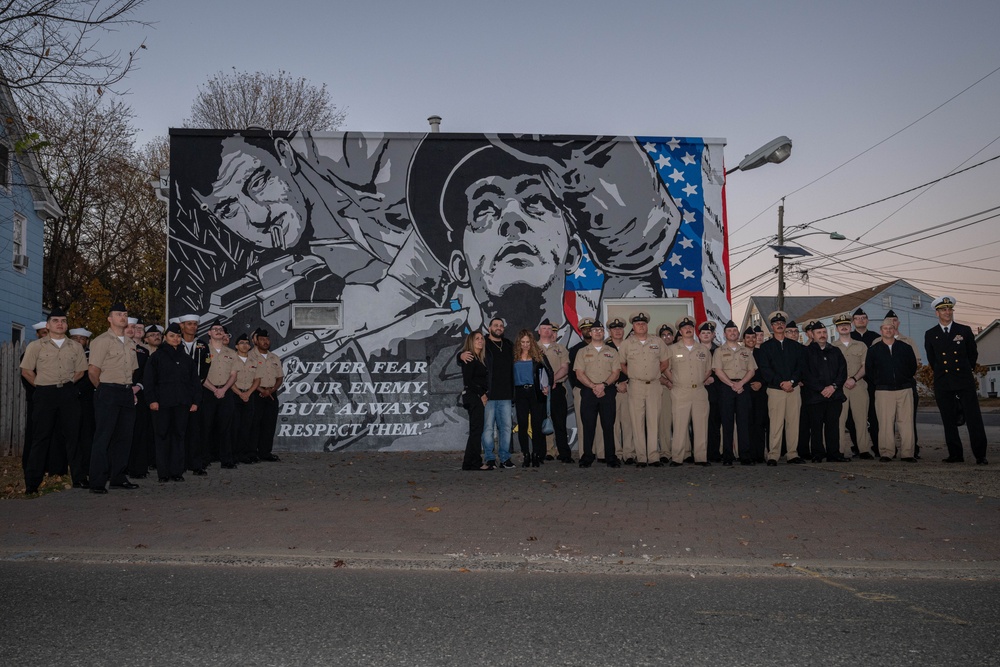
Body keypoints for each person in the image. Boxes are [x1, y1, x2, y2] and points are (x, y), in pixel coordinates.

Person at [19, 308, 89, 493]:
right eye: (56, 320)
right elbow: (26, 371)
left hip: (68, 393)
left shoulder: (75, 347)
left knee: (74, 437)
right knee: (40, 437)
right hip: (44, 394)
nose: (60, 324)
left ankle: (79, 478)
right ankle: (32, 483)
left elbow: (81, 371)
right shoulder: (36, 346)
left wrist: (66, 385)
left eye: (63, 321)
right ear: (48, 325)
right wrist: (41, 385)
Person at [924, 296, 988, 464]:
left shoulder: (964, 330)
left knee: (974, 419)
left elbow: (972, 355)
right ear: (937, 313)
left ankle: (980, 455)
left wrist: (966, 371)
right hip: (943, 382)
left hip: (963, 380)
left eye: (950, 309)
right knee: (948, 420)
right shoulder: (931, 334)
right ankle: (955, 454)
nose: (947, 312)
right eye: (944, 310)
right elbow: (932, 359)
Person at [87, 302, 140, 494]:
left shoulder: (130, 343)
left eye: (125, 314)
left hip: (126, 392)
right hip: (107, 390)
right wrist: (101, 390)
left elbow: (133, 370)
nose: (123, 317)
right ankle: (98, 481)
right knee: (103, 437)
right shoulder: (101, 341)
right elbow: (93, 370)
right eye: (119, 314)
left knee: (124, 437)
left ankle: (118, 477)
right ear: (109, 319)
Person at [144, 323, 201, 482]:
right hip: (162, 404)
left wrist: (195, 401)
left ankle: (177, 472)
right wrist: (152, 400)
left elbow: (194, 382)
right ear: (165, 338)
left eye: (177, 336)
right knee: (162, 437)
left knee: (179, 437)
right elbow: (149, 381)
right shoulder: (156, 357)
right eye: (172, 336)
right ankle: (163, 473)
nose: (175, 338)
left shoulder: (186, 358)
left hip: (182, 404)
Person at [459, 317, 515, 468]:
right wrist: (460, 355)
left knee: (506, 428)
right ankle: (489, 458)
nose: (499, 327)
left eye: (501, 326)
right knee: (487, 428)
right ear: (489, 328)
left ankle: (505, 458)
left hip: (506, 394)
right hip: (487, 395)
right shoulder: (483, 343)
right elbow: (466, 354)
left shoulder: (509, 345)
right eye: (495, 325)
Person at [756, 311, 806, 466]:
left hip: (793, 389)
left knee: (793, 422)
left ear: (785, 325)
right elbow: (765, 369)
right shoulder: (766, 347)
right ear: (772, 327)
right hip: (775, 390)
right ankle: (773, 455)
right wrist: (781, 383)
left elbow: (801, 368)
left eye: (782, 323)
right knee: (776, 424)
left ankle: (792, 454)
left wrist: (791, 382)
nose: (780, 325)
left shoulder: (796, 347)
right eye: (776, 323)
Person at [620, 312, 669, 467]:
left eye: (643, 323)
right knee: (637, 421)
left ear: (647, 325)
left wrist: (655, 374)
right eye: (637, 324)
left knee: (654, 420)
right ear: (633, 327)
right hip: (635, 385)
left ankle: (653, 456)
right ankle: (641, 457)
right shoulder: (627, 344)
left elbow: (665, 362)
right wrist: (633, 375)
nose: (641, 326)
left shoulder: (658, 342)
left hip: (654, 385)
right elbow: (621, 364)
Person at [866, 319, 918, 462]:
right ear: (881, 330)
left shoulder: (905, 347)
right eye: (885, 328)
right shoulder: (874, 350)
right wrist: (879, 382)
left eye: (891, 328)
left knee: (906, 422)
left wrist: (904, 379)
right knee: (885, 423)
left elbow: (912, 366)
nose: (888, 330)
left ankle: (908, 453)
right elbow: (869, 371)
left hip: (904, 389)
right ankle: (886, 452)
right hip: (883, 391)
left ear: (895, 330)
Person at [573, 320, 622, 468]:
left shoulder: (612, 351)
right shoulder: (582, 352)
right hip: (588, 392)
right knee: (588, 425)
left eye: (600, 330)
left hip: (607, 391)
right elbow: (579, 374)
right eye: (595, 330)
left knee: (608, 425)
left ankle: (610, 457)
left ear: (603, 332)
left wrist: (604, 385)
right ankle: (587, 457)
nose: (598, 332)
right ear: (590, 333)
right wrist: (594, 386)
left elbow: (616, 372)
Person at [666, 316, 713, 467]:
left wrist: (700, 380)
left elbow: (708, 370)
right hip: (680, 390)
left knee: (701, 424)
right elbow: (666, 369)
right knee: (679, 425)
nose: (688, 330)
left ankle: (701, 457)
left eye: (690, 327)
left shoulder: (703, 350)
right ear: (680, 331)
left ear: (693, 330)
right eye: (685, 328)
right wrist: (675, 380)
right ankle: (677, 458)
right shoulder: (672, 349)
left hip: (699, 391)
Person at [802, 321, 849, 463]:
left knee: (833, 426)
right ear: (812, 335)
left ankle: (833, 454)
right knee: (816, 428)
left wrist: (833, 387)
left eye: (824, 332)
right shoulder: (806, 352)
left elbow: (843, 371)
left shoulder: (835, 351)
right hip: (815, 397)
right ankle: (817, 454)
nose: (822, 335)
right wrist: (821, 389)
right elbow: (805, 374)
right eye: (818, 333)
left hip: (834, 396)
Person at [712, 320, 756, 466]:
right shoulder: (719, 351)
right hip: (726, 387)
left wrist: (741, 383)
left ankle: (745, 455)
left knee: (744, 422)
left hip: (743, 387)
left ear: (738, 334)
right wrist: (732, 384)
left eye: (735, 331)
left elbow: (751, 370)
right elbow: (718, 371)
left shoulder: (746, 351)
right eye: (730, 331)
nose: (733, 333)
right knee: (727, 422)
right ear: (725, 334)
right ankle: (728, 456)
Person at [833, 313, 874, 460]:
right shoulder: (832, 347)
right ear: (837, 329)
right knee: (839, 420)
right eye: (840, 325)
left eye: (846, 325)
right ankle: (839, 450)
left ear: (850, 327)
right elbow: (830, 369)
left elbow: (865, 366)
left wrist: (854, 378)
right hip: (839, 388)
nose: (843, 327)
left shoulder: (861, 345)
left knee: (861, 419)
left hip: (858, 385)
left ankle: (863, 449)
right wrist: (841, 381)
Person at [201, 320, 239, 470]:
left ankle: (227, 460)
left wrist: (223, 389)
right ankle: (204, 459)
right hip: (207, 392)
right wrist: (214, 389)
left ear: (224, 334)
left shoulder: (231, 353)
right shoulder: (202, 350)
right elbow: (200, 375)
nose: (218, 331)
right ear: (209, 333)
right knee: (205, 427)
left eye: (220, 329)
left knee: (226, 427)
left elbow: (234, 375)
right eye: (214, 329)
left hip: (226, 392)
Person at [512, 329, 553, 467]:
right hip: (520, 393)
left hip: (535, 392)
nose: (525, 345)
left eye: (528, 342)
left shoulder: (538, 356)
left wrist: (547, 386)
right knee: (522, 424)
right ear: (519, 343)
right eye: (522, 342)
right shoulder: (514, 357)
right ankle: (526, 455)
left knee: (536, 425)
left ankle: (536, 454)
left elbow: (550, 372)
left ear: (532, 342)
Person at [178, 313, 211, 474]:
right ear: (182, 326)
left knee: (196, 430)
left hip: (197, 391)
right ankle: (180, 463)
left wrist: (197, 385)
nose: (192, 327)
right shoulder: (175, 344)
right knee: (179, 429)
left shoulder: (203, 345)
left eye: (195, 324)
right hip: (177, 393)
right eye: (189, 324)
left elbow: (206, 367)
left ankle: (196, 464)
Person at [538, 319, 573, 463]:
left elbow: (565, 368)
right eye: (544, 328)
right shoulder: (532, 348)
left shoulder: (561, 349)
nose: (547, 330)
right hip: (539, 390)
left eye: (549, 328)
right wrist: (542, 385)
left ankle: (564, 453)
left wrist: (551, 381)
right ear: (539, 331)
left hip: (556, 388)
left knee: (559, 422)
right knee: (540, 422)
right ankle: (544, 452)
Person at [568, 319, 603, 460]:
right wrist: (580, 387)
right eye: (585, 328)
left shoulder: (604, 347)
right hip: (582, 390)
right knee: (583, 423)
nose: (588, 331)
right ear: (580, 331)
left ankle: (601, 453)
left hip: (602, 390)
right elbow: (572, 373)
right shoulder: (576, 349)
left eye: (591, 328)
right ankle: (585, 453)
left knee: (601, 423)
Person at [250, 328, 284, 462]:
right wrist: (261, 390)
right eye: (262, 339)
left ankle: (265, 452)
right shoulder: (250, 356)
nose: (265, 342)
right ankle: (252, 452)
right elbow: (247, 376)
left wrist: (271, 390)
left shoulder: (274, 357)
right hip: (255, 393)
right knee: (254, 424)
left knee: (269, 424)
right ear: (256, 341)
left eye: (267, 339)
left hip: (271, 394)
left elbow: (280, 377)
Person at [459, 331, 491, 470]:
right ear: (471, 341)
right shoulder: (469, 357)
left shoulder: (479, 358)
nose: (480, 341)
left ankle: (468, 462)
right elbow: (468, 381)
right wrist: (482, 394)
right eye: (476, 339)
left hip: (475, 396)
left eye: (482, 339)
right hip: (473, 396)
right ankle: (476, 462)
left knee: (475, 430)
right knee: (476, 430)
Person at [606, 318, 634, 463]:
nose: (618, 331)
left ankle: (629, 453)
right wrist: (617, 384)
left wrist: (628, 382)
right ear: (609, 331)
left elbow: (637, 366)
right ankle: (616, 452)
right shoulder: (605, 347)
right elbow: (603, 370)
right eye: (614, 329)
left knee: (629, 423)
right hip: (612, 390)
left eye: (620, 329)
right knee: (614, 423)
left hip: (629, 388)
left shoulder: (630, 346)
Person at [230, 333, 262, 464]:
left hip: (249, 396)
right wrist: (240, 393)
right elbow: (229, 380)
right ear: (236, 346)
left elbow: (257, 380)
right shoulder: (231, 359)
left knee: (246, 426)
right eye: (241, 343)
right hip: (234, 395)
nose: (245, 345)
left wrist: (248, 393)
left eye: (247, 343)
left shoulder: (254, 361)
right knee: (234, 426)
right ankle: (232, 454)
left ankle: (243, 454)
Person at [743, 326, 768, 464]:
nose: (751, 340)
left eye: (753, 337)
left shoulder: (762, 353)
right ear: (744, 340)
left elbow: (768, 371)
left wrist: (761, 383)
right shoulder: (740, 353)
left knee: (759, 424)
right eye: (748, 337)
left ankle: (759, 454)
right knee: (747, 424)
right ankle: (748, 454)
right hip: (745, 392)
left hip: (761, 392)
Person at [656, 324, 675, 463]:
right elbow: (653, 371)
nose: (667, 337)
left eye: (669, 334)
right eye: (663, 335)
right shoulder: (655, 351)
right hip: (664, 388)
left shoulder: (681, 349)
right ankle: (665, 452)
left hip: (681, 389)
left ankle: (684, 451)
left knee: (682, 421)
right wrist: (666, 382)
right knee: (665, 422)